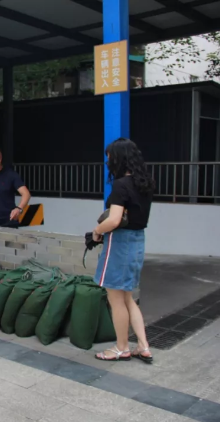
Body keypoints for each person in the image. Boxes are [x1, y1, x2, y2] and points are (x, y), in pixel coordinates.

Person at [93, 138, 154, 363]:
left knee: (115, 298)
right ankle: (143, 346)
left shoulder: (121, 185)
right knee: (128, 297)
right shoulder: (145, 182)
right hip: (138, 241)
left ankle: (121, 348)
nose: (107, 161)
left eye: (109, 156)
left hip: (120, 243)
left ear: (118, 158)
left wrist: (97, 231)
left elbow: (114, 220)